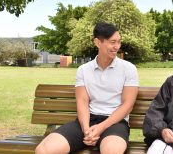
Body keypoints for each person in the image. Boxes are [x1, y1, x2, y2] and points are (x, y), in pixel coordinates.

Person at [35, 22, 139, 154]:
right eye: (112, 42)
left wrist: (100, 128)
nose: (117, 46)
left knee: (111, 151)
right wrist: (86, 130)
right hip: (87, 121)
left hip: (115, 122)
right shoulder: (83, 70)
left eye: (119, 42)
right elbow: (82, 102)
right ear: (97, 42)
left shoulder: (129, 69)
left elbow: (127, 105)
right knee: (44, 150)